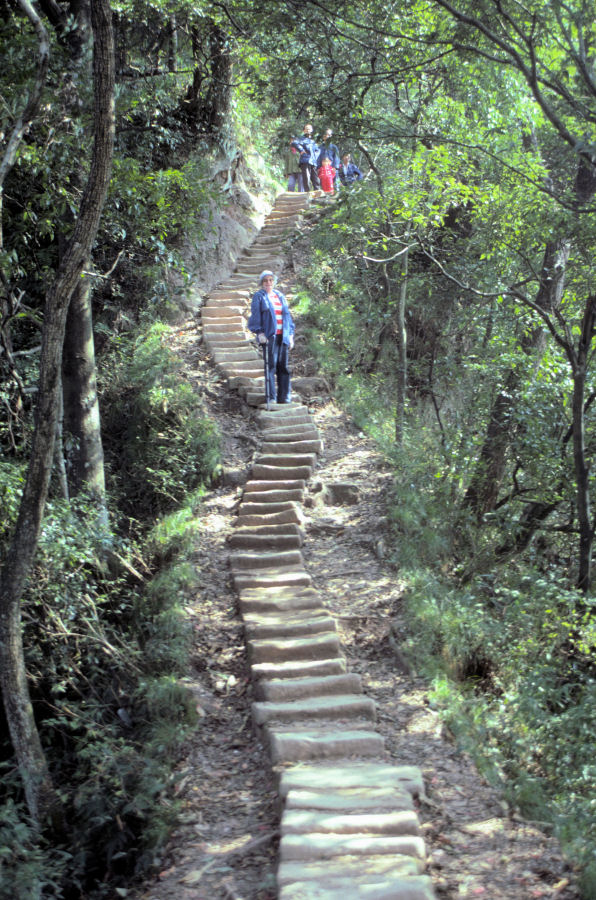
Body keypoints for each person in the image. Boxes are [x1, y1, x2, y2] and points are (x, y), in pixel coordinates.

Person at [248, 270, 295, 404]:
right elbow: (256, 316)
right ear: (262, 283)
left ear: (273, 281)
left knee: (283, 367)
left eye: (270, 280)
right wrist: (260, 333)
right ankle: (271, 397)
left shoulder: (280, 296)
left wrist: (290, 335)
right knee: (271, 367)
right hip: (270, 337)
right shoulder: (259, 296)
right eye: (265, 280)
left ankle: (285, 397)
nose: (268, 283)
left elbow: (287, 317)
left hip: (283, 336)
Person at [291, 123, 320, 192]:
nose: (308, 130)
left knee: (315, 178)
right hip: (305, 161)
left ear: (312, 130)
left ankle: (317, 192)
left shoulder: (313, 141)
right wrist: (301, 150)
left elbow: (318, 150)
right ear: (304, 130)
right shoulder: (301, 139)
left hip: (313, 161)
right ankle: (308, 192)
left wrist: (315, 157)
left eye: (309, 129)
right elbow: (294, 143)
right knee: (306, 177)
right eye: (306, 129)